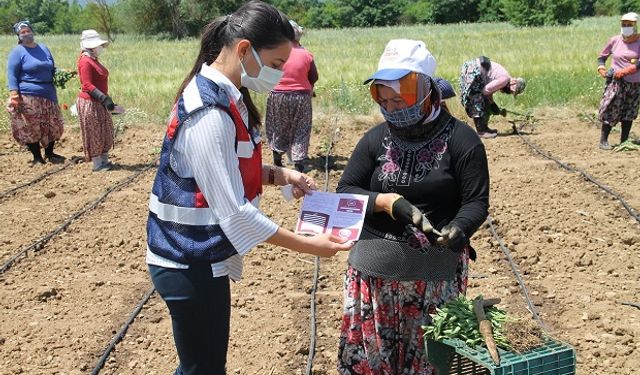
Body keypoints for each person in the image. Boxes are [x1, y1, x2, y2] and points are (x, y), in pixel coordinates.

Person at [145, 2, 352, 374]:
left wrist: (279, 175)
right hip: (187, 261)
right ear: (244, 50)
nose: (277, 75)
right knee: (203, 369)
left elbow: (226, 167)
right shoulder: (209, 112)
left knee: (203, 366)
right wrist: (310, 246)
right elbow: (235, 215)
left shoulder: (226, 94)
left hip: (199, 257)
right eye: (274, 65)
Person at [336, 39, 490, 374]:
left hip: (433, 278)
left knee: (429, 362)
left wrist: (459, 228)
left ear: (427, 91)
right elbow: (346, 190)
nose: (392, 108)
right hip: (373, 278)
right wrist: (386, 203)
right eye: (385, 100)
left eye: (400, 99)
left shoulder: (462, 141)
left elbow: (476, 201)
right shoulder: (375, 139)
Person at [6, 20, 65, 165]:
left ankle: (50, 153)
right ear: (19, 36)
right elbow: (12, 74)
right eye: (22, 32)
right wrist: (14, 95)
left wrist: (61, 73)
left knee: (53, 124)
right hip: (28, 94)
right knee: (31, 126)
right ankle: (37, 157)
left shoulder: (44, 48)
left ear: (32, 31)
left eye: (28, 31)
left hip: (49, 92)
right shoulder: (18, 52)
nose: (26, 34)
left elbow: (52, 67)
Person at [265, 19, 318, 172]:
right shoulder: (306, 54)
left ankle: (277, 158)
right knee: (301, 129)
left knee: (277, 127)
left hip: (277, 96)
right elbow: (314, 77)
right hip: (301, 97)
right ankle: (299, 164)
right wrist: (308, 87)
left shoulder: (274, 52)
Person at [597, 12, 640, 150]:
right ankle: (603, 141)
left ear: (635, 26)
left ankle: (624, 140)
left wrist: (629, 69)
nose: (626, 27)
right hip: (616, 82)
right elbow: (602, 57)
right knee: (611, 108)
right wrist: (602, 69)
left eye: (629, 25)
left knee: (629, 111)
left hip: (634, 83)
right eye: (624, 24)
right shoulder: (614, 40)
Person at [76, 29, 116, 171]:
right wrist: (103, 97)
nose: (100, 48)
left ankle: (104, 160)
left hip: (99, 102)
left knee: (105, 130)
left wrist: (105, 99)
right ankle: (97, 164)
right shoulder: (85, 61)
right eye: (98, 46)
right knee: (95, 132)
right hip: (90, 102)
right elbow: (87, 85)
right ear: (91, 46)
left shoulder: (93, 60)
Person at [459, 55, 526, 138]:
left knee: (481, 99)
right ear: (513, 83)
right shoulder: (504, 80)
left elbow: (488, 92)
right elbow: (485, 91)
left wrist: (493, 105)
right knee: (478, 99)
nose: (509, 92)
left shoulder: (505, 78)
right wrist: (492, 105)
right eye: (512, 90)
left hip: (471, 68)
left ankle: (484, 128)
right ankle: (482, 131)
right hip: (473, 71)